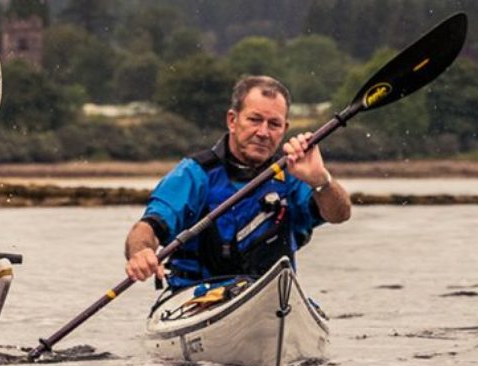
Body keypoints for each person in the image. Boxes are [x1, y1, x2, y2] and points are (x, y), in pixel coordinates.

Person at [123, 76, 353, 289]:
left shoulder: (293, 176)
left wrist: (322, 181)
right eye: (254, 120)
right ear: (232, 121)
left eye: (274, 124)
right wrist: (141, 252)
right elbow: (148, 227)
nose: (263, 132)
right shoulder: (193, 174)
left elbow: (340, 214)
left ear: (284, 129)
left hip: (273, 294)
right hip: (196, 296)